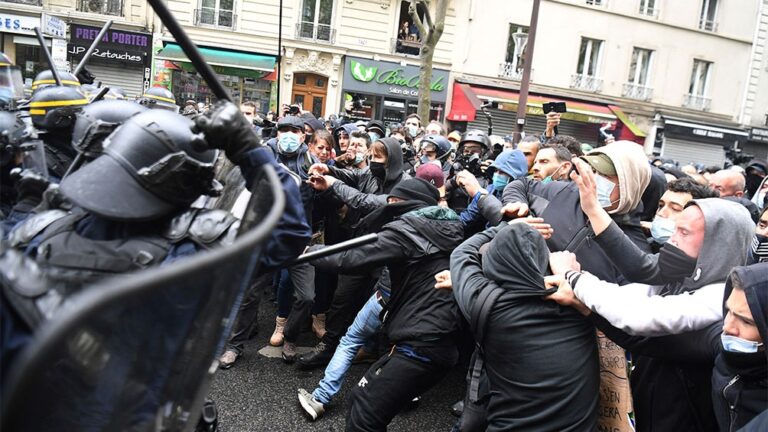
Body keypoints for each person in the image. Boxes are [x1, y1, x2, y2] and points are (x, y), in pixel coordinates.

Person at [1, 101, 311, 384]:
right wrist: (250, 152)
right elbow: (291, 235)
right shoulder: (195, 250)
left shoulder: (36, 234)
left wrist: (25, 213)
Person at [307, 178, 464, 430]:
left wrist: (306, 252)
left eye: (395, 203)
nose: (389, 208)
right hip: (432, 340)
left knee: (364, 418)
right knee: (361, 400)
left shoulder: (407, 232)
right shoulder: (449, 226)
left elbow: (349, 259)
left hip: (420, 344)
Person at [551, 263, 768, 432]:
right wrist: (585, 308)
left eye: (746, 322)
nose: (728, 327)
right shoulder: (723, 347)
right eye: (728, 312)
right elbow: (653, 341)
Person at [450, 223, 599, 431]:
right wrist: (573, 277)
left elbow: (461, 253)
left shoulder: (489, 306)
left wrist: (501, 227)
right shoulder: (579, 302)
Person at [502, 141, 652, 283]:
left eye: (605, 175)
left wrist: (577, 294)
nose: (593, 179)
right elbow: (521, 185)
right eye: (592, 171)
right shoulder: (567, 191)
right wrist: (517, 204)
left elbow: (621, 304)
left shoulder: (635, 253)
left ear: (631, 184)